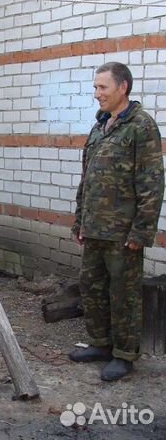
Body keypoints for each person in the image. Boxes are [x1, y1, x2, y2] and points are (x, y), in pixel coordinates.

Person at [69, 62, 164, 381]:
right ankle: (100, 344)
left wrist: (141, 230)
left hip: (123, 233)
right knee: (92, 288)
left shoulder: (141, 126)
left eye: (102, 87)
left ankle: (124, 355)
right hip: (94, 228)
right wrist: (79, 220)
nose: (97, 94)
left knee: (124, 294)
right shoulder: (100, 126)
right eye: (96, 87)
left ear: (122, 87)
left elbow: (152, 183)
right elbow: (88, 178)